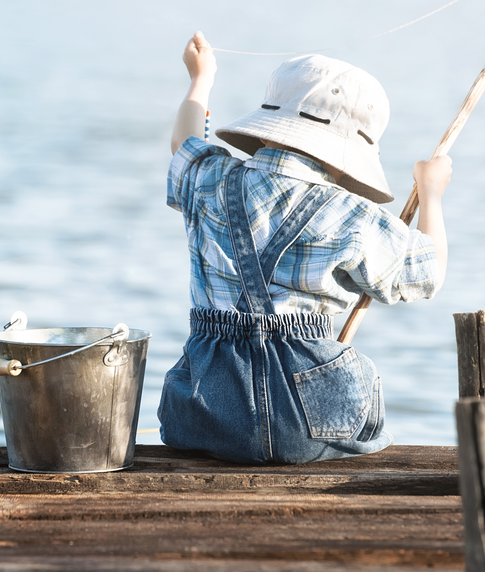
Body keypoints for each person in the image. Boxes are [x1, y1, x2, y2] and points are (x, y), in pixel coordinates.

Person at [157, 31, 453, 464]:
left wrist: (201, 78)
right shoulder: (353, 214)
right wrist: (431, 194)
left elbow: (183, 144)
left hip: (203, 415)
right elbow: (429, 274)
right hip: (311, 428)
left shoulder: (210, 179)